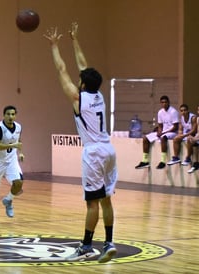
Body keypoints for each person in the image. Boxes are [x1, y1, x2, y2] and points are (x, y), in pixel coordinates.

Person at [44, 23, 118, 263]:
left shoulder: (78, 98)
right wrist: (75, 39)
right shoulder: (99, 95)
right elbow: (84, 65)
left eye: (80, 79)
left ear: (83, 84)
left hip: (94, 153)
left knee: (92, 203)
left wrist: (55, 45)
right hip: (109, 150)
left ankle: (86, 245)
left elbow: (61, 69)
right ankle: (108, 242)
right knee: (106, 199)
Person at [134, 95, 179, 169]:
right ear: (160, 103)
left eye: (165, 102)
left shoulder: (173, 111)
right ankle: (145, 161)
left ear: (168, 102)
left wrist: (164, 133)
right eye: (162, 102)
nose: (164, 104)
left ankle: (163, 161)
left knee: (163, 138)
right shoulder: (160, 112)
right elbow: (160, 125)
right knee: (145, 138)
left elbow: (175, 127)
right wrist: (159, 131)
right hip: (164, 131)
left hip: (172, 132)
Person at [186, 103, 199, 173]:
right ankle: (196, 163)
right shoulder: (198, 119)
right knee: (192, 142)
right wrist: (194, 138)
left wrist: (196, 139)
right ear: (198, 111)